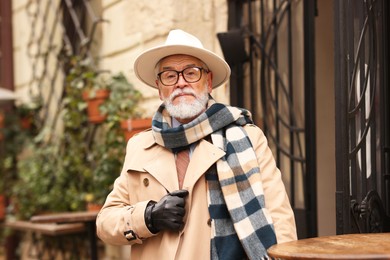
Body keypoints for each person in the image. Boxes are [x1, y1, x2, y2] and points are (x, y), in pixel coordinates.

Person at [96, 29, 297, 260]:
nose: (181, 83)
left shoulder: (248, 137)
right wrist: (149, 216)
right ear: (160, 88)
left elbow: (279, 217)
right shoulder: (139, 146)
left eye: (191, 73)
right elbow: (105, 222)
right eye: (170, 76)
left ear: (208, 82)